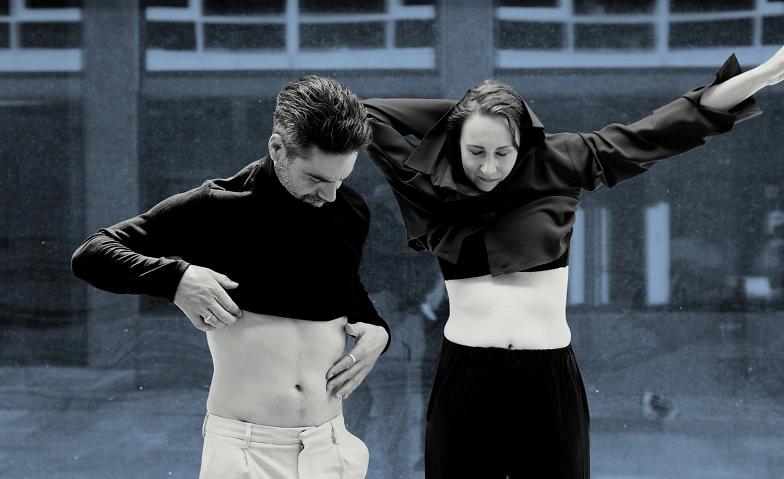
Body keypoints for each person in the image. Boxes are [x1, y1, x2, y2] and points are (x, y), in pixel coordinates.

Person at [362, 45, 784, 478]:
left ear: (522, 141)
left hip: (548, 377)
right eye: (476, 152)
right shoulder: (434, 182)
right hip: (464, 375)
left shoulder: (561, 158)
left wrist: (766, 73)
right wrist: (469, 112)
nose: (488, 168)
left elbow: (661, 131)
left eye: (502, 152)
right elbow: (367, 115)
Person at [72, 75, 391, 479]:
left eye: (341, 179)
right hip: (245, 452)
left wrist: (379, 332)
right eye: (316, 179)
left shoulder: (351, 211)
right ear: (277, 148)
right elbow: (92, 254)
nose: (329, 195)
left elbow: (345, 288)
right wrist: (176, 279)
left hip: (331, 446)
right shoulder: (216, 207)